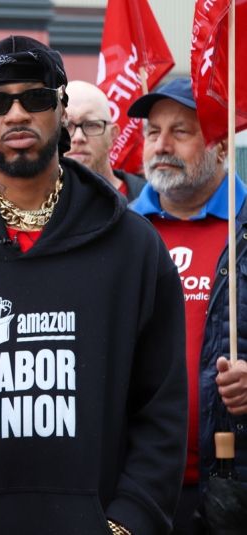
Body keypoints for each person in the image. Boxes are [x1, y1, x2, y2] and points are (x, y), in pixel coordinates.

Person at [0, 36, 186, 534]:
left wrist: (131, 521)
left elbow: (162, 406)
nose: (17, 113)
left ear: (62, 109)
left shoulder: (134, 247)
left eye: (36, 98)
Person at [127, 76, 247, 534]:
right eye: (152, 132)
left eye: (181, 131)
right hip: (135, 486)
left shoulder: (244, 225)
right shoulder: (118, 232)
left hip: (230, 492)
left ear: (220, 146)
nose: (162, 144)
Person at [64, 80, 146, 200]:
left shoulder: (152, 201)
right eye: (66, 126)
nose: (78, 137)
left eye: (91, 125)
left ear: (113, 135)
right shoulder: (34, 206)